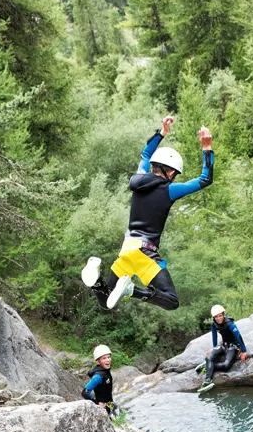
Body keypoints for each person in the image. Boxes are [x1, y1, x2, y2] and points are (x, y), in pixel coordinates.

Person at [81, 116, 214, 310]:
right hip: (145, 252)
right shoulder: (169, 190)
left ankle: (95, 280)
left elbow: (145, 154)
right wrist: (207, 147)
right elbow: (205, 179)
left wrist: (162, 132)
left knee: (107, 303)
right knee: (171, 301)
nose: (174, 178)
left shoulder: (139, 179)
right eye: (175, 174)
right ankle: (133, 291)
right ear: (169, 172)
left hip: (127, 249)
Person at [197, 304, 248, 393]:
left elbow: (239, 337)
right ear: (214, 318)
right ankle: (207, 381)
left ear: (223, 315)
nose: (218, 318)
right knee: (209, 357)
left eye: (220, 316)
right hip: (224, 344)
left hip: (234, 346)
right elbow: (214, 336)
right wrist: (214, 348)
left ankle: (208, 366)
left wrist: (244, 351)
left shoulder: (230, 324)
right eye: (216, 317)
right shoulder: (214, 324)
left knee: (226, 366)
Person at [83, 345, 117, 414]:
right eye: (104, 358)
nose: (108, 360)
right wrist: (97, 403)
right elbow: (85, 392)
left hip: (109, 403)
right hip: (103, 408)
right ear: (98, 362)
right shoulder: (98, 376)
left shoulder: (105, 370)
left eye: (109, 357)